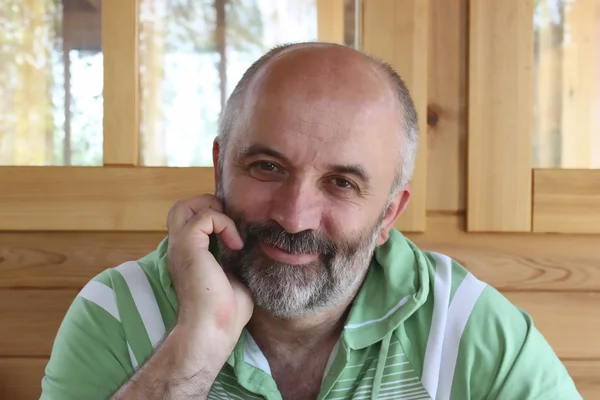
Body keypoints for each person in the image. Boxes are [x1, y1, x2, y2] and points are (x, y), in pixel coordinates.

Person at [40, 42, 581, 400]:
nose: (294, 215)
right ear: (219, 166)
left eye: (342, 182)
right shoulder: (117, 310)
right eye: (267, 166)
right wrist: (200, 339)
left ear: (390, 211)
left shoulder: (469, 328)